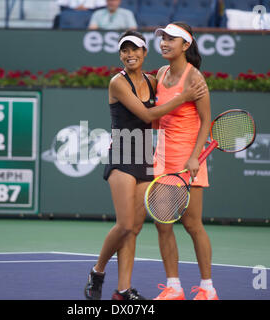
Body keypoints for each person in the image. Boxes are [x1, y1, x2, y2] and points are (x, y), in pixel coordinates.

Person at [84, 30, 206, 300]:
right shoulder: (118, 82)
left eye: (135, 50)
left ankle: (123, 290)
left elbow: (168, 107)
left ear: (144, 53)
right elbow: (148, 114)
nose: (130, 55)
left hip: (145, 158)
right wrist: (183, 97)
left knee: (135, 228)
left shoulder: (154, 81)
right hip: (122, 156)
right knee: (126, 224)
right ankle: (97, 271)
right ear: (120, 55)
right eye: (125, 51)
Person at [152, 22, 219, 300]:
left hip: (188, 160)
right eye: (163, 38)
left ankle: (207, 288)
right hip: (162, 158)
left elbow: (206, 122)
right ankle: (174, 287)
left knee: (192, 225)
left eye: (172, 39)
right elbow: (158, 117)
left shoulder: (195, 79)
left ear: (186, 45)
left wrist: (194, 157)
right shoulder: (161, 72)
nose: (165, 43)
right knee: (162, 224)